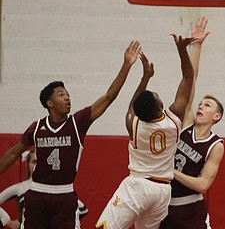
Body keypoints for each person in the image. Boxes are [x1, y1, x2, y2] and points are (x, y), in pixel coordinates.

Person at [0, 40, 141, 229]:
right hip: (37, 195)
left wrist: (126, 64)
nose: (67, 97)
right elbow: (13, 152)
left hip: (64, 195)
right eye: (61, 95)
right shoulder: (37, 127)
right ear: (49, 103)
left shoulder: (77, 122)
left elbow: (109, 96)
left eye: (68, 94)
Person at [95, 33, 196, 229]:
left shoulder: (134, 124)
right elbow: (188, 77)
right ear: (160, 107)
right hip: (162, 191)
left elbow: (131, 106)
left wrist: (145, 78)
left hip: (138, 186)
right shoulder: (174, 121)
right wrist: (182, 50)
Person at [160, 17, 225, 229]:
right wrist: (197, 46)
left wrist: (171, 172)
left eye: (207, 106)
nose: (200, 107)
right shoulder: (186, 122)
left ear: (217, 116)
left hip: (190, 210)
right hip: (164, 205)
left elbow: (203, 184)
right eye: (200, 104)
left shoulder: (216, 146)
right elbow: (191, 80)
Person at [0, 150, 88, 229]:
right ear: (27, 164)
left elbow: (83, 209)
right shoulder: (19, 188)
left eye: (40, 162)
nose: (36, 165)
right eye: (34, 162)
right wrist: (7, 220)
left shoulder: (52, 187)